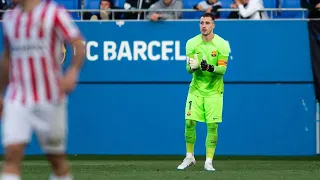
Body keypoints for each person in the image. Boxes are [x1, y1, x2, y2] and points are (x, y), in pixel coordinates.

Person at [0, 0, 85, 179]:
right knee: (12, 153)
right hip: (17, 96)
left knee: (56, 158)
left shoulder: (54, 13)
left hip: (50, 96)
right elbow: (8, 55)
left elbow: (77, 42)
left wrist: (73, 72)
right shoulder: (9, 18)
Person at [177, 12, 230, 171]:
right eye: (201, 23)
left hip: (214, 91)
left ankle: (208, 161)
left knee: (212, 125)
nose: (204, 26)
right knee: (189, 122)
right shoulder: (191, 43)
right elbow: (188, 69)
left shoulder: (222, 44)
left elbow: (222, 70)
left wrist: (209, 67)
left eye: (207, 23)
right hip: (196, 89)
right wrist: (192, 67)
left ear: (213, 25)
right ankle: (189, 156)